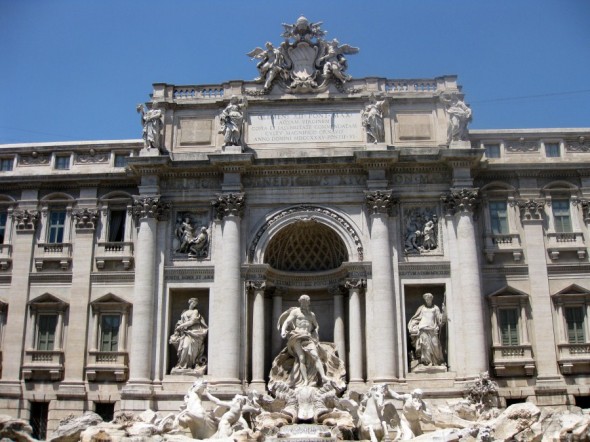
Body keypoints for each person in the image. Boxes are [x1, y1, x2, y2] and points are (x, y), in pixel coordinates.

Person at [279, 294, 328, 387]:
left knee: (315, 356)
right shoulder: (295, 312)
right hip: (297, 336)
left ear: (308, 303)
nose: (304, 304)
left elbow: (316, 325)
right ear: (300, 302)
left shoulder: (311, 314)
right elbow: (287, 322)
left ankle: (323, 376)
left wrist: (316, 331)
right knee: (301, 358)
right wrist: (283, 331)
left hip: (308, 337)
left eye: (305, 302)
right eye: (302, 302)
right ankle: (305, 381)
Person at [408, 293, 446, 367]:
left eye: (429, 298)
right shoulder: (421, 308)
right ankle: (427, 362)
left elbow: (440, 320)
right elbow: (416, 318)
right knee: (425, 346)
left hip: (432, 329)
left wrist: (444, 312)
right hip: (423, 328)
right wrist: (413, 326)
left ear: (431, 299)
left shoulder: (436, 308)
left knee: (435, 344)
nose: (427, 300)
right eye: (426, 299)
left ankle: (437, 361)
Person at [169, 298, 208, 371]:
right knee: (184, 347)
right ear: (190, 303)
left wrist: (181, 326)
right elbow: (181, 321)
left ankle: (188, 365)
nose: (194, 305)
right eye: (193, 303)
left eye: (196, 304)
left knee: (186, 347)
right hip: (184, 333)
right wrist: (178, 325)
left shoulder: (195, 311)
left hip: (193, 332)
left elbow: (192, 322)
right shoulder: (184, 312)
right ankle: (182, 365)